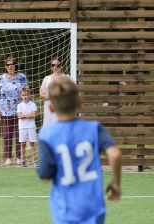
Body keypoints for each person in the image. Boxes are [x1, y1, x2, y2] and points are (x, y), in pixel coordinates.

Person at [37, 77, 122, 224]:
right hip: (93, 206)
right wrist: (116, 183)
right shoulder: (94, 128)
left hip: (65, 208)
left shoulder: (47, 134)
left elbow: (45, 177)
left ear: (51, 108)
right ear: (80, 103)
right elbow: (115, 154)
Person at [0, 56, 29, 165]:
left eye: (12, 64)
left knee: (20, 134)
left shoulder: (22, 77)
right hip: (5, 111)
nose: (10, 66)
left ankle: (19, 157)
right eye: (8, 64)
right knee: (7, 134)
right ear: (5, 66)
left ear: (16, 65)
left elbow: (27, 93)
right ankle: (8, 158)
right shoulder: (1, 78)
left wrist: (28, 108)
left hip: (21, 111)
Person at [39, 57, 70, 127]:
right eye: (53, 65)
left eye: (58, 65)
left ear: (61, 66)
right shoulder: (46, 78)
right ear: (51, 66)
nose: (55, 67)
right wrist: (49, 96)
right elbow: (41, 94)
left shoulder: (67, 77)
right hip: (49, 109)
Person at [17, 88, 37, 167]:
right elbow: (19, 116)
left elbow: (33, 115)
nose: (25, 97)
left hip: (31, 127)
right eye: (23, 95)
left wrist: (24, 115)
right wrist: (28, 114)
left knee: (32, 144)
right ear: (21, 96)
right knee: (22, 144)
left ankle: (34, 160)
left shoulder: (33, 104)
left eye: (26, 95)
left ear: (30, 95)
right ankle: (22, 160)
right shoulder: (19, 105)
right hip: (22, 127)